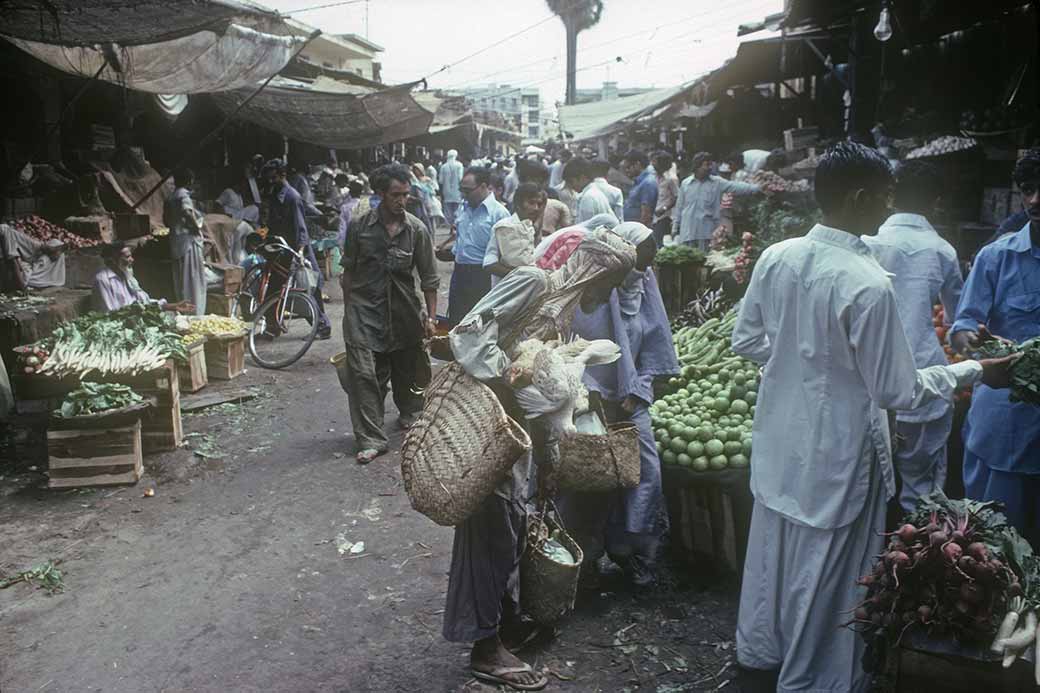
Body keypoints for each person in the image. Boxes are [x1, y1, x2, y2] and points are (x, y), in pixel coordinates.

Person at [731, 141, 1016, 693]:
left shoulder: (778, 255)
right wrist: (974, 370)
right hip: (838, 454)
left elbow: (747, 340)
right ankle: (811, 681)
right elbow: (899, 392)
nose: (888, 208)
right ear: (860, 197)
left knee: (773, 558)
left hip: (779, 442)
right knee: (828, 577)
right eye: (884, 197)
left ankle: (761, 656)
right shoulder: (865, 283)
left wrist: (801, 365)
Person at [445, 228, 638, 692]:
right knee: (492, 525)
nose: (605, 295)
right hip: (488, 422)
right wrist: (509, 373)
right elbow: (468, 331)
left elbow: (543, 375)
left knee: (511, 524)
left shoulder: (563, 311)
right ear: (593, 271)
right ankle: (485, 646)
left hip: (517, 431)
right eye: (606, 284)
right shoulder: (534, 281)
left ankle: (502, 619)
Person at [562, 222, 677, 587]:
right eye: (637, 264)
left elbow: (655, 347)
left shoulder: (644, 288)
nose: (641, 273)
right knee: (586, 480)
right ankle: (584, 556)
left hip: (631, 400)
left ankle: (632, 552)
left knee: (646, 473)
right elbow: (568, 348)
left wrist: (639, 390)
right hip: (585, 400)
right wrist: (588, 394)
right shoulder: (592, 291)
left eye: (648, 265)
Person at [861, 160, 964, 513]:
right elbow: (956, 321)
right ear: (936, 201)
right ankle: (922, 553)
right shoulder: (943, 250)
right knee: (923, 486)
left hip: (871, 377)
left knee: (870, 482)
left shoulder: (867, 242)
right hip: (924, 376)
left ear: (892, 196)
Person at [951, 148, 1040, 540]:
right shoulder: (996, 258)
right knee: (995, 546)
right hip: (1003, 433)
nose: (1035, 200)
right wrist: (970, 338)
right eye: (1029, 189)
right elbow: (963, 326)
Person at [339, 164, 439, 464]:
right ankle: (371, 438)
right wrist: (349, 311)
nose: (402, 200)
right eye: (396, 195)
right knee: (364, 374)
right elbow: (348, 272)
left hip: (405, 311)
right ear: (380, 194)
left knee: (408, 368)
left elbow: (430, 279)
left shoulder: (417, 230)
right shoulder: (359, 226)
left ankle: (408, 411)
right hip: (364, 310)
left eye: (406, 195)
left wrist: (431, 319)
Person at [260, 159, 332, 339]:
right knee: (274, 288)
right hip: (281, 249)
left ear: (282, 175)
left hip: (297, 250)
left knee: (309, 287)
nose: (270, 182)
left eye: (273, 178)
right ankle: (272, 326)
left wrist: (299, 253)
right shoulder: (275, 195)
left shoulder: (292, 197)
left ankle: (322, 327)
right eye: (268, 179)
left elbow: (300, 227)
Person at [447, 166, 510, 325]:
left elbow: (505, 253)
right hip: (460, 272)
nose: (464, 195)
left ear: (483, 186)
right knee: (457, 321)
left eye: (468, 191)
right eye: (462, 190)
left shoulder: (499, 213)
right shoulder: (464, 208)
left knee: (479, 324)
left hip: (482, 275)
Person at [673, 152, 762, 251]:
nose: (710, 167)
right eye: (707, 165)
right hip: (688, 232)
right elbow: (679, 207)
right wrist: (675, 228)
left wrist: (758, 188)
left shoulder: (717, 182)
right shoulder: (686, 184)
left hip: (707, 233)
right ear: (697, 166)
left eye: (711, 164)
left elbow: (737, 187)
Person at [93, 241, 193, 314]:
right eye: (127, 257)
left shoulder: (128, 276)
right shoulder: (103, 279)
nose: (132, 260)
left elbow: (145, 302)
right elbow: (109, 312)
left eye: (131, 256)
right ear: (113, 260)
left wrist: (174, 306)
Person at [483, 183, 547, 285]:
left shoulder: (532, 228)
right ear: (518, 204)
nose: (536, 208)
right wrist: (520, 276)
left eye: (539, 204)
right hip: (505, 289)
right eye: (531, 203)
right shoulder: (504, 226)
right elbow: (489, 264)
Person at [164, 168, 206, 316]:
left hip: (175, 240)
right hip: (188, 241)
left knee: (181, 278)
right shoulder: (183, 195)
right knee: (192, 277)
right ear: (189, 181)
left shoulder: (170, 197)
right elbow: (186, 211)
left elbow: (165, 220)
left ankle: (184, 309)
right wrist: (195, 227)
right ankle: (195, 312)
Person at [0, 223, 65, 289]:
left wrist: (17, 262)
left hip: (24, 269)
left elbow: (26, 269)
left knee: (4, 229)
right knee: (5, 229)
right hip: (20, 260)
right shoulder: (39, 251)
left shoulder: (44, 260)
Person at [566, 158, 616, 225]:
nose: (571, 187)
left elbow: (586, 230)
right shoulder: (595, 192)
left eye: (571, 182)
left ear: (582, 178)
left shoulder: (588, 198)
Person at [621, 151, 658, 226]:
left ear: (638, 164)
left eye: (628, 167)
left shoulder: (648, 183)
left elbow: (646, 214)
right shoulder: (638, 182)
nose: (626, 171)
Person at [651, 151, 680, 246]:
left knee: (657, 242)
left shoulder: (671, 179)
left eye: (655, 161)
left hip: (663, 217)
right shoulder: (652, 177)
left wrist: (664, 208)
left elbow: (676, 197)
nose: (652, 163)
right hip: (652, 215)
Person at [439, 149, 465, 228]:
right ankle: (455, 226)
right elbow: (461, 178)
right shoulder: (459, 165)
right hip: (457, 191)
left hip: (446, 192)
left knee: (448, 211)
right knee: (457, 209)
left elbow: (440, 181)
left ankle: (450, 227)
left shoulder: (443, 166)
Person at [337, 179, 365, 248]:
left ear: (350, 193)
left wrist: (341, 244)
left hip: (350, 240)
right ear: (361, 192)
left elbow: (343, 228)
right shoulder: (366, 207)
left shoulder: (345, 207)